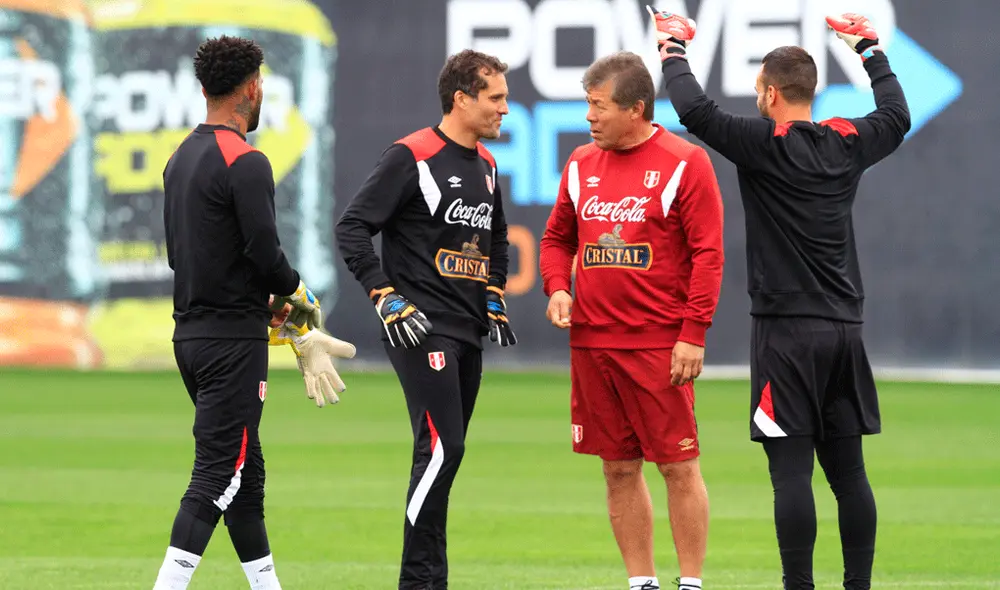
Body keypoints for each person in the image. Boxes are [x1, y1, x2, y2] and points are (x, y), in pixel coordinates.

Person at [651, 8, 911, 590]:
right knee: (849, 475)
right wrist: (869, 48)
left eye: (757, 90)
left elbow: (693, 110)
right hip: (844, 329)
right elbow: (896, 116)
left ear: (770, 94)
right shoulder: (846, 141)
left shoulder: (763, 143)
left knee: (790, 473)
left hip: (784, 335)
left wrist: (672, 47)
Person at [155, 35, 355, 590]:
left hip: (192, 340)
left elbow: (186, 258)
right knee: (218, 475)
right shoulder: (245, 160)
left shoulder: (179, 159)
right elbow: (265, 259)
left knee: (247, 476)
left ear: (203, 89)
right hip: (230, 347)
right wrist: (300, 302)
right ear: (252, 88)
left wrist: (281, 315)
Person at [539, 51, 725, 590]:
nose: (589, 116)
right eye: (587, 105)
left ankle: (690, 582)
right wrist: (557, 288)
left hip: (658, 346)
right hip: (592, 346)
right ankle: (640, 582)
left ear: (636, 108)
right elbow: (556, 239)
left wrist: (693, 334)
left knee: (678, 467)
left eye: (598, 106)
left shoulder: (686, 162)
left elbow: (708, 255)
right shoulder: (579, 164)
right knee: (617, 467)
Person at [336, 49, 517, 590]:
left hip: (467, 329)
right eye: (496, 98)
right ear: (461, 99)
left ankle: (430, 579)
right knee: (444, 447)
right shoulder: (410, 155)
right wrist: (384, 294)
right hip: (420, 326)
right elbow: (352, 228)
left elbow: (498, 238)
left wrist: (494, 293)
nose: (505, 109)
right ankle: (418, 581)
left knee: (443, 456)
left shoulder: (485, 165)